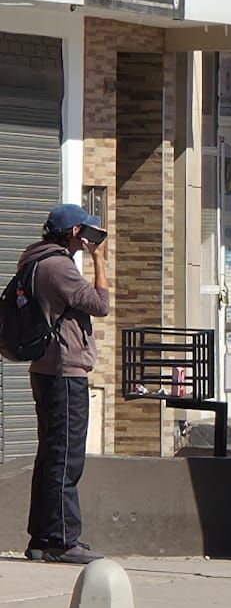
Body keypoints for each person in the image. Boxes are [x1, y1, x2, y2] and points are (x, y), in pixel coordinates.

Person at [22, 204, 110, 564]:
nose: (91, 238)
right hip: (64, 372)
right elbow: (99, 304)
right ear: (75, 233)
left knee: (50, 456)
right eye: (87, 232)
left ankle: (42, 538)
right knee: (66, 458)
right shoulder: (59, 267)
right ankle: (61, 540)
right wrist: (99, 261)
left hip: (46, 370)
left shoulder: (34, 260)